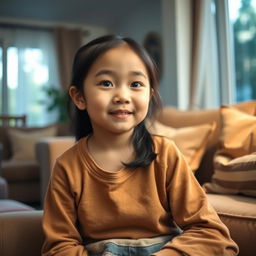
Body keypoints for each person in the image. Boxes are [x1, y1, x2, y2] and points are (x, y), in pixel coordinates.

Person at [41, 35, 238, 256]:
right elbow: (58, 247)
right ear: (79, 97)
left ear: (149, 94)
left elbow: (212, 233)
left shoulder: (166, 154)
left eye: (136, 84)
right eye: (106, 83)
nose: (122, 96)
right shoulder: (67, 167)